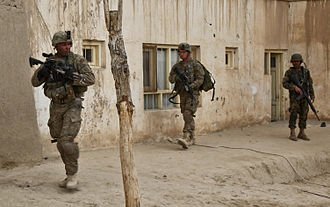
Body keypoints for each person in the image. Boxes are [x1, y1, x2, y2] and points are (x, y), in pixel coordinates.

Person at [31, 31, 95, 189]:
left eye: (69, 44)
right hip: (56, 105)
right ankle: (68, 175)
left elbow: (90, 79)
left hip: (73, 103)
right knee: (59, 142)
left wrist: (71, 77)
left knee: (66, 141)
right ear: (56, 46)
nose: (67, 47)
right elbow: (34, 83)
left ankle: (73, 175)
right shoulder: (50, 62)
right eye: (63, 44)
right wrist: (42, 72)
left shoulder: (77, 60)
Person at [169, 43, 204, 149]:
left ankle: (186, 136)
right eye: (179, 52)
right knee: (185, 113)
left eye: (183, 52)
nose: (181, 54)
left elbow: (200, 79)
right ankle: (192, 136)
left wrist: (191, 86)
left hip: (192, 94)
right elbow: (170, 78)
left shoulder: (195, 64)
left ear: (188, 52)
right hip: (182, 94)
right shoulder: (177, 66)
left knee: (188, 113)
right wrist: (177, 78)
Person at [282, 53, 315, 141]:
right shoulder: (289, 72)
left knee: (304, 113)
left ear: (300, 62)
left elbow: (310, 84)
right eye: (294, 61)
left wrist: (312, 95)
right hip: (295, 97)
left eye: (297, 61)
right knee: (293, 113)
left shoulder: (306, 72)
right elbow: (284, 84)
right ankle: (292, 132)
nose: (296, 63)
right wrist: (294, 87)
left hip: (304, 96)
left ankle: (302, 132)